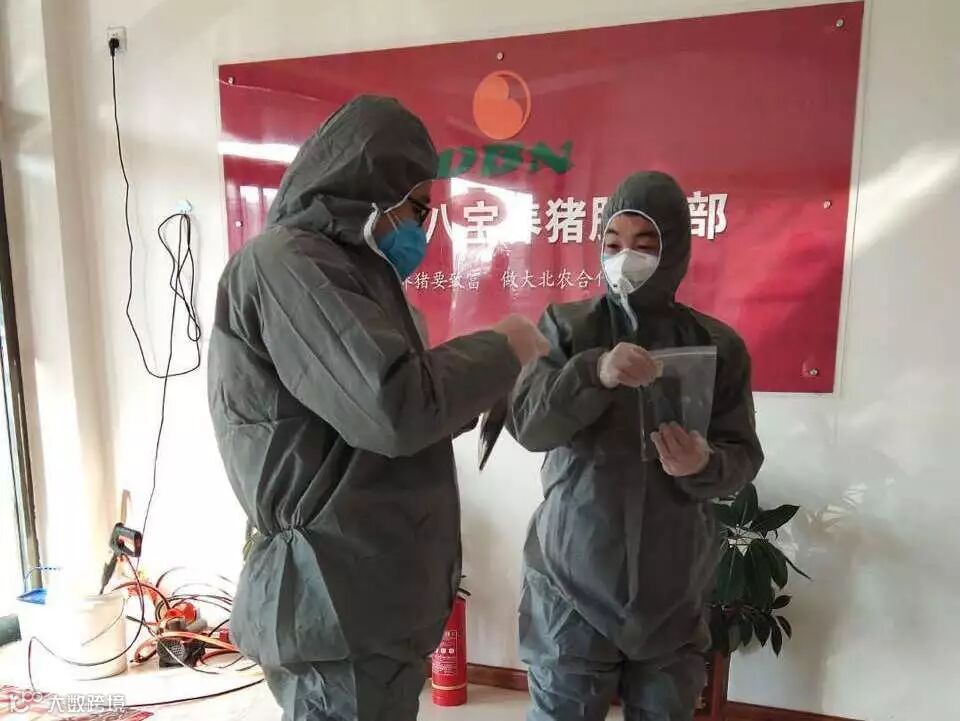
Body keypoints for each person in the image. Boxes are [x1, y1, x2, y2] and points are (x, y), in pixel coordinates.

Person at [207, 95, 548, 721]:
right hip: (333, 596)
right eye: (416, 208)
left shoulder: (356, 275)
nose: (421, 228)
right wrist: (503, 348)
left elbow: (385, 417)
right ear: (368, 189)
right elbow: (393, 408)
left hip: (365, 591)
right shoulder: (289, 264)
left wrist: (478, 390)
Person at [507, 171, 764, 721]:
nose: (626, 258)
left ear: (676, 250)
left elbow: (743, 454)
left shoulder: (716, 346)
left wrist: (705, 463)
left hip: (671, 584)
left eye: (645, 245)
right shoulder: (566, 328)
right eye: (613, 243)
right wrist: (593, 372)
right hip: (572, 576)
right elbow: (530, 427)